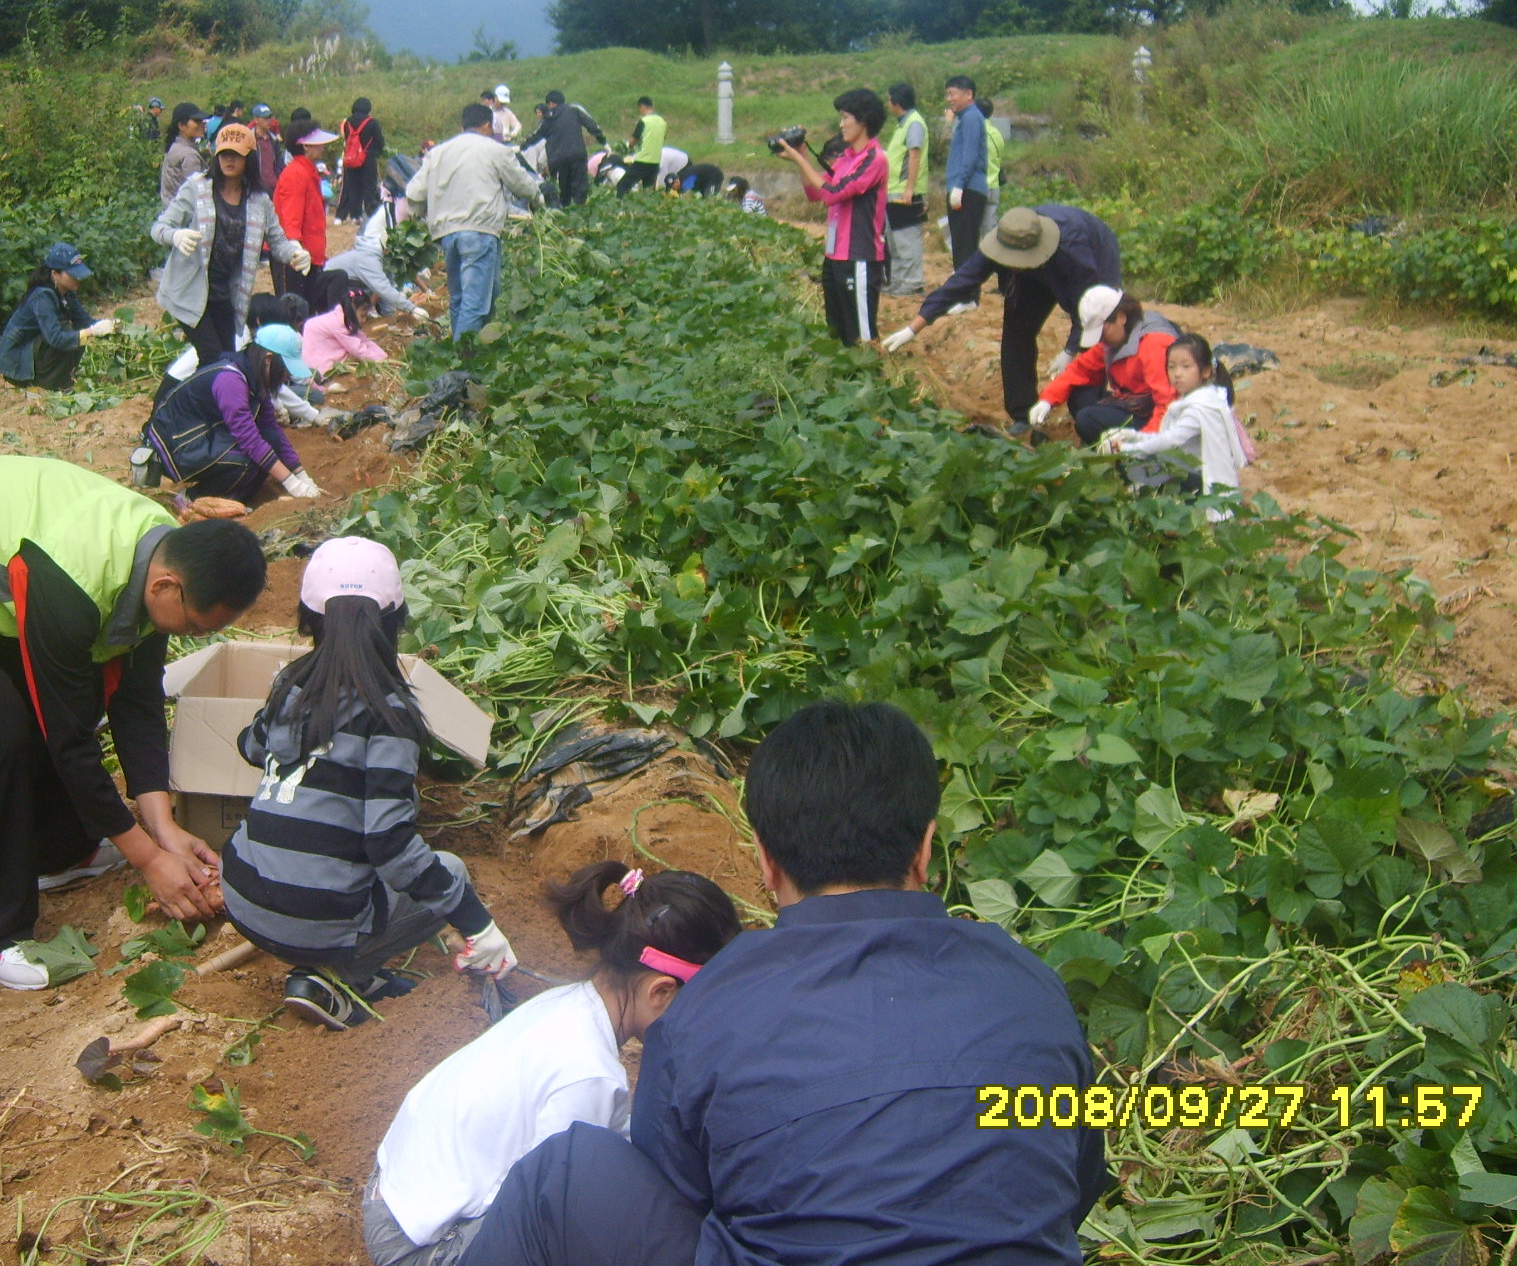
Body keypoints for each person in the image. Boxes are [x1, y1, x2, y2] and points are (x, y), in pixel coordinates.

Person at [463, 701, 1104, 1266]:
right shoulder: (1030, 986)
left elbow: (678, 1194)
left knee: (566, 1173)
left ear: (766, 863)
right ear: (926, 849)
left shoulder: (711, 1008)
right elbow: (1076, 1184)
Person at [0, 457, 269, 990]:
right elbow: (65, 737)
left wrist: (164, 830)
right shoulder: (75, 583)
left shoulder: (158, 557)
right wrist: (147, 859)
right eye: (198, 625)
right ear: (165, 587)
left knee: (73, 695)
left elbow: (136, 701)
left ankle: (64, 852)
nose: (195, 635)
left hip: (7, 557)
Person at [366, 862, 741, 1266]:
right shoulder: (590, 1075)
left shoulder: (565, 1004)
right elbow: (557, 1211)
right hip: (420, 1247)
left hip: (393, 1191)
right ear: (662, 991)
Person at [219, 537, 515, 1029]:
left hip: (244, 896)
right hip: (310, 917)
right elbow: (389, 844)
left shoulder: (289, 685)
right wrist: (477, 925)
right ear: (395, 621)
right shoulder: (389, 714)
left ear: (309, 619)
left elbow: (251, 747)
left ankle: (334, 963)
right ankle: (341, 975)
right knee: (450, 871)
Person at [881, 204, 1125, 436]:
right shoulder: (1004, 239)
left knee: (1096, 336)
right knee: (1017, 330)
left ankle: (1094, 414)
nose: (1013, 266)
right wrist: (913, 328)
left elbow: (1086, 307)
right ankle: (1023, 413)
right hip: (1037, 270)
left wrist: (1070, 351)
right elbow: (961, 282)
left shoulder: (1073, 251)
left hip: (1092, 260)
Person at [154, 123, 311, 366]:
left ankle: (208, 398)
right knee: (211, 357)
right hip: (189, 290)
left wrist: (295, 252)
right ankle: (194, 401)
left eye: (236, 155)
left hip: (225, 292)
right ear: (216, 156)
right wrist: (176, 236)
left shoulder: (259, 201)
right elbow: (160, 227)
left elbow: (278, 243)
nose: (230, 160)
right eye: (225, 154)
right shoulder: (197, 188)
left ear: (249, 158)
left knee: (228, 357)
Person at [405, 103, 543, 341]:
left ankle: (465, 352)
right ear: (488, 125)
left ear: (463, 126)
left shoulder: (438, 152)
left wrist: (419, 214)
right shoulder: (495, 150)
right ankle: (464, 361)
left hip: (447, 233)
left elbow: (414, 193)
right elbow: (521, 183)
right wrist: (539, 201)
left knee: (460, 297)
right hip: (479, 230)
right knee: (477, 302)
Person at [145, 327, 321, 503]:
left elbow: (271, 429)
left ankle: (236, 502)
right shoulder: (230, 380)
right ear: (268, 359)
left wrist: (301, 475)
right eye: (286, 371)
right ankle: (192, 498)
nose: (285, 378)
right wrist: (292, 484)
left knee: (265, 449)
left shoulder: (256, 381)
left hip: (206, 438)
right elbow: (249, 439)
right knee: (247, 462)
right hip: (177, 448)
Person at [772, 89, 889, 345]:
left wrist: (799, 161)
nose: (841, 124)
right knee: (837, 329)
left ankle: (872, 379)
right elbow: (815, 192)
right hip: (835, 255)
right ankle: (847, 381)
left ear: (864, 120)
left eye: (846, 117)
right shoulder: (847, 158)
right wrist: (801, 156)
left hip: (859, 256)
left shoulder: (874, 159)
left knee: (861, 335)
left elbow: (834, 193)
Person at [1104, 333, 1253, 519]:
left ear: (1205, 371)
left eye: (1186, 366)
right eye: (1171, 367)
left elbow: (1170, 439)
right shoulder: (1199, 398)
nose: (1177, 374)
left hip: (1205, 483)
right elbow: (1165, 435)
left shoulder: (1199, 408)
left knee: (1143, 468)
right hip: (1197, 475)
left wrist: (1129, 449)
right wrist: (1131, 436)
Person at [149, 291, 326, 435]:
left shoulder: (251, 341)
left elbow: (269, 386)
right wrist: (286, 410)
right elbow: (266, 387)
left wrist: (309, 414)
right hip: (176, 399)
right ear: (259, 322)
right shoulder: (242, 342)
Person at [1027, 287, 1181, 445]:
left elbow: (1169, 405)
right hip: (1135, 401)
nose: (1099, 339)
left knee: (1087, 420)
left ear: (1121, 317)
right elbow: (1081, 370)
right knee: (1080, 396)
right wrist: (1047, 400)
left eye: (1102, 331)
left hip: (1157, 415)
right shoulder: (1116, 339)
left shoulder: (1154, 345)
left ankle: (1118, 451)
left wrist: (1144, 442)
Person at [0, 242, 115, 390]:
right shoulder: (42, 296)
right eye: (72, 274)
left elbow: (85, 322)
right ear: (55, 274)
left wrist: (110, 326)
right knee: (69, 331)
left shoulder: (66, 293)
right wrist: (92, 332)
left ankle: (61, 378)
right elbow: (56, 339)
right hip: (17, 365)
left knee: (77, 331)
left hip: (33, 353)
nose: (78, 279)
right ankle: (48, 383)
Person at [326, 180, 432, 321]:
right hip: (327, 288)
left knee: (383, 284)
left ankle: (377, 314)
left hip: (341, 284)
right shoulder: (370, 259)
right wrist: (412, 309)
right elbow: (382, 288)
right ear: (388, 248)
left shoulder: (378, 253)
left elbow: (386, 286)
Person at [272, 119, 337, 294]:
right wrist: (295, 250)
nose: (322, 147)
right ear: (306, 146)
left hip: (310, 254)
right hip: (296, 257)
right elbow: (290, 216)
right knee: (294, 307)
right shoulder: (295, 173)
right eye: (318, 143)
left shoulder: (307, 170)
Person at [940, 77, 989, 306]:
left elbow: (969, 156)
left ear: (968, 94)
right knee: (960, 243)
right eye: (948, 94)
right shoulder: (965, 119)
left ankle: (969, 297)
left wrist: (959, 185)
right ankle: (964, 293)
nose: (949, 99)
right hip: (963, 187)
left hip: (968, 188)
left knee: (965, 244)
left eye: (953, 93)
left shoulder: (971, 118)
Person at [882, 83, 928, 297]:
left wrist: (909, 188)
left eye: (889, 99)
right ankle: (899, 281)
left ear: (897, 102)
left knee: (907, 239)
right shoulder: (903, 124)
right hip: (894, 191)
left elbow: (914, 154)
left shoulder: (914, 123)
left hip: (905, 192)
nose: (887, 103)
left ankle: (912, 282)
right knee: (896, 240)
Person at [301, 273, 389, 379]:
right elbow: (358, 349)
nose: (364, 320)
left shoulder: (342, 316)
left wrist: (383, 356)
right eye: (362, 315)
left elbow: (363, 339)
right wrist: (380, 360)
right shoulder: (339, 324)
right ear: (353, 308)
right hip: (320, 369)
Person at [531, 92, 606, 207]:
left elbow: (536, 136)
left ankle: (565, 209)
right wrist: (603, 140)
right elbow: (591, 125)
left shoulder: (548, 118)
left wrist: (522, 147)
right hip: (577, 153)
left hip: (559, 158)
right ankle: (580, 209)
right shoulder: (574, 109)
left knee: (564, 187)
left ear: (550, 103)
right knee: (580, 184)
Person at [338, 98, 387, 221]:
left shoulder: (348, 122)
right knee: (369, 187)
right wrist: (378, 151)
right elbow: (379, 141)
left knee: (354, 187)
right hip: (368, 158)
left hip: (351, 159)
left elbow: (346, 139)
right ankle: (370, 214)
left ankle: (355, 215)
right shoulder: (372, 123)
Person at [159, 102, 207, 205]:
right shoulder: (189, 155)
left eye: (202, 121)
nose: (202, 124)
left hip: (171, 211)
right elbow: (198, 191)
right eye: (197, 121)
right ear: (181, 125)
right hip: (184, 216)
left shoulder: (175, 146)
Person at [617, 98, 666, 194]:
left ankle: (620, 208)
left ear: (642, 107)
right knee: (648, 192)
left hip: (642, 161)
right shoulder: (663, 122)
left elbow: (632, 141)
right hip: (655, 162)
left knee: (622, 186)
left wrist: (629, 147)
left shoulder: (644, 121)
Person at [976, 96, 1007, 241]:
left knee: (973, 230)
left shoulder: (975, 133)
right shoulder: (997, 134)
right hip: (994, 186)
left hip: (977, 187)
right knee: (990, 230)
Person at [249, 104, 286, 195]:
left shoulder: (273, 140)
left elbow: (279, 162)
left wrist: (278, 180)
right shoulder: (249, 139)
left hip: (273, 186)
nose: (269, 121)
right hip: (255, 188)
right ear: (256, 120)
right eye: (265, 118)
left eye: (270, 117)